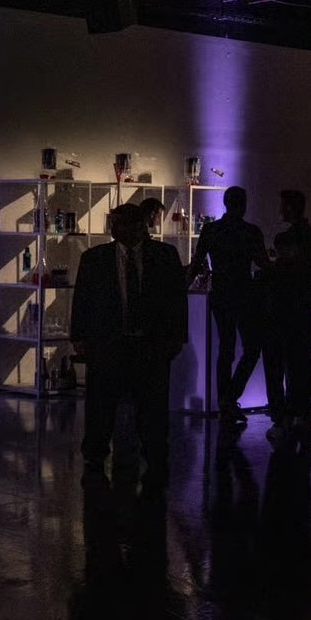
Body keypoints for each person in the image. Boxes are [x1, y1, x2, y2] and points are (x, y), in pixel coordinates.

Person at [71, 202, 187, 491]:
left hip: (149, 344)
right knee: (101, 404)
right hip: (111, 344)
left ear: (141, 226)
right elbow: (82, 299)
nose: (121, 230)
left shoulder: (164, 256)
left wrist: (177, 336)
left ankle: (151, 453)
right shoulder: (94, 259)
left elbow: (176, 300)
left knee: (152, 405)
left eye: (127, 224)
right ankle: (97, 454)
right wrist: (80, 336)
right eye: (118, 224)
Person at [189, 187, 266, 424]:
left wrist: (184, 287)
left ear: (224, 203)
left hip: (221, 294)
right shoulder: (250, 231)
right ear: (243, 204)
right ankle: (230, 398)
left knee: (226, 349)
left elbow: (198, 262)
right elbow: (262, 262)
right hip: (244, 294)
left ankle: (226, 400)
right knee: (251, 348)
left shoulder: (211, 230)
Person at [263, 190, 311, 442]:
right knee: (301, 367)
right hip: (299, 314)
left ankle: (284, 418)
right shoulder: (309, 236)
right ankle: (301, 417)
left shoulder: (294, 238)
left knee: (280, 367)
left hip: (282, 314)